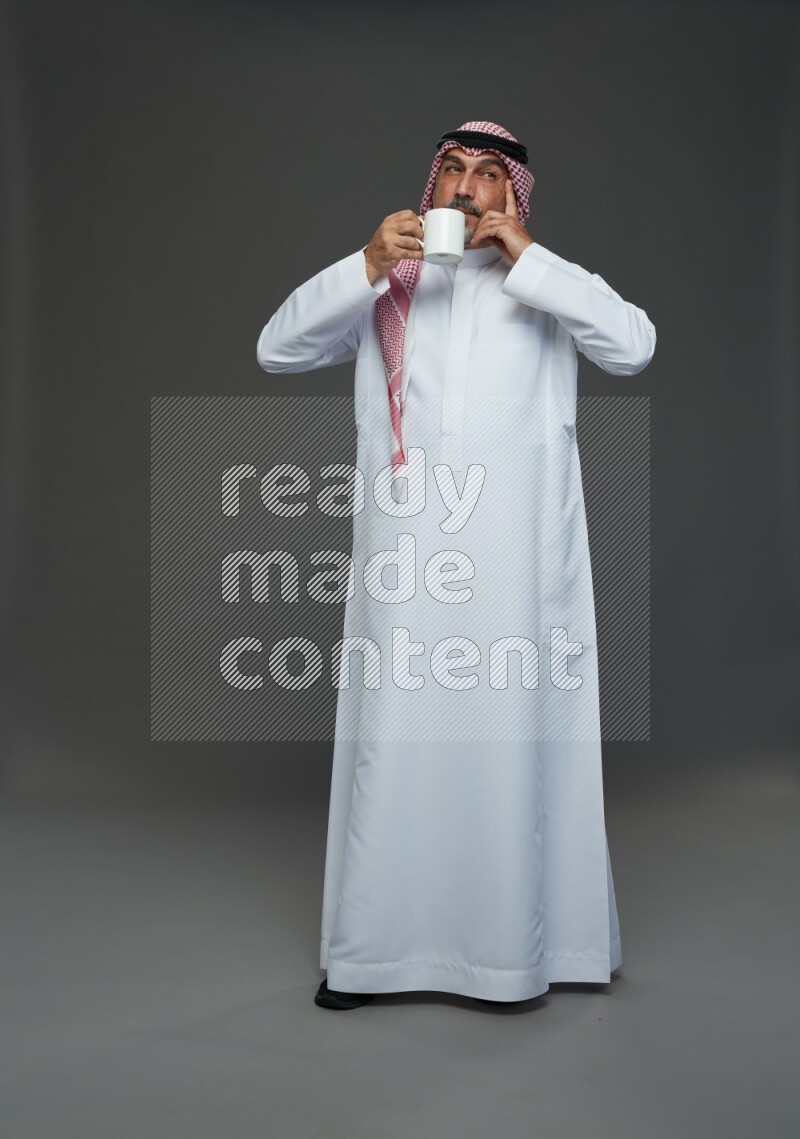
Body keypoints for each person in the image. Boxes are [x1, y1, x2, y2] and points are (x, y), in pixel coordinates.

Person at [257, 120, 656, 1011]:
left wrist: (530, 256)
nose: (469, 188)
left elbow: (632, 346)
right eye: (454, 172)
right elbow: (276, 349)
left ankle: (522, 955)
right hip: (409, 567)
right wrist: (362, 264)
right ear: (430, 189)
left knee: (514, 745)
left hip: (516, 569)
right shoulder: (388, 288)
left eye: (489, 175)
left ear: (513, 194)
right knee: (393, 745)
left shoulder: (543, 285)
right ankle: (373, 956)